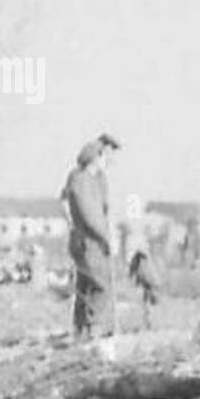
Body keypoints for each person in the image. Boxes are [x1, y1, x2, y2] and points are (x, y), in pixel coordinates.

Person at [60, 133, 120, 338]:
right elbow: (90, 215)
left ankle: (81, 333)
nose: (110, 161)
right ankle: (92, 333)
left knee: (86, 287)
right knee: (99, 285)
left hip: (93, 240)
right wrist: (106, 238)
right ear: (97, 156)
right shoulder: (81, 179)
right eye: (107, 156)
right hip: (88, 241)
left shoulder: (96, 179)